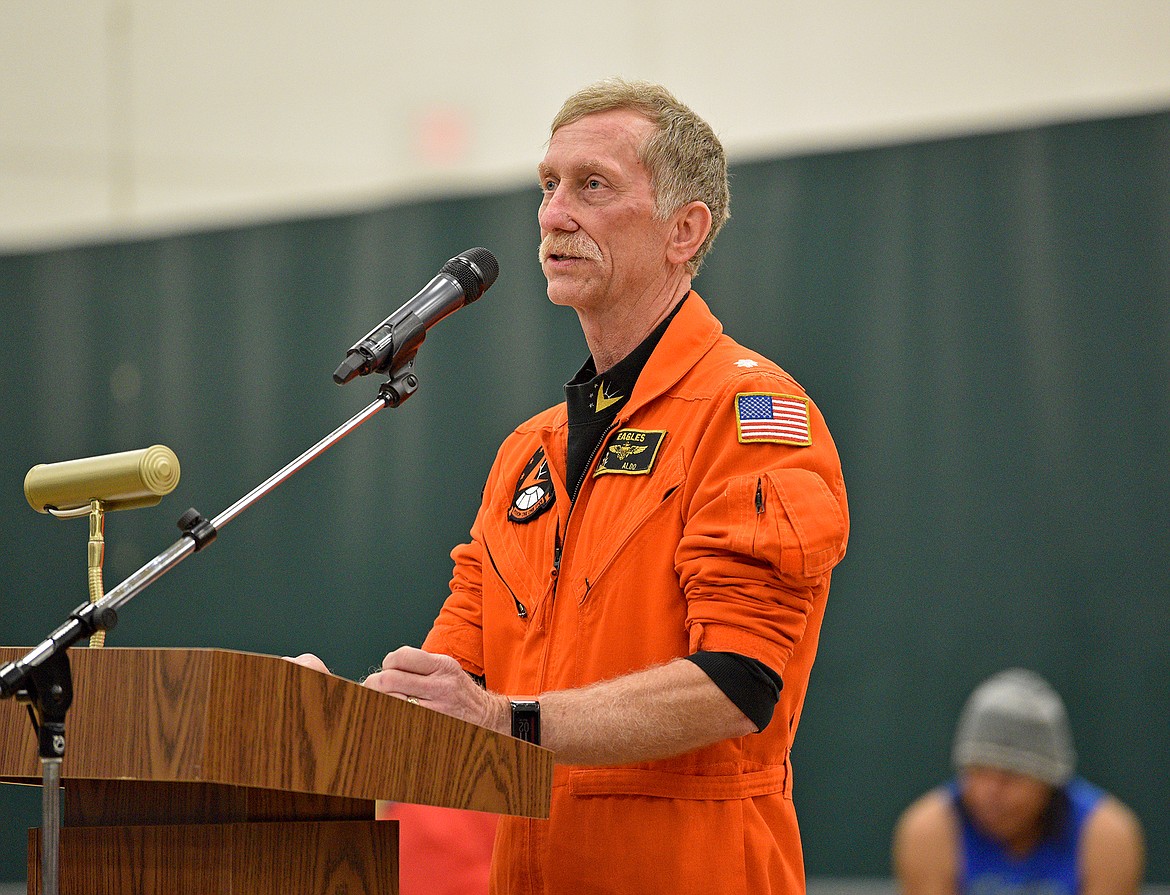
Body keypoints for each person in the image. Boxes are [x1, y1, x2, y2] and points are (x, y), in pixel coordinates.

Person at [294, 77, 849, 893]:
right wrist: (331, 713)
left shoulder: (749, 417)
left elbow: (738, 684)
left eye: (593, 186)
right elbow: (458, 682)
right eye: (548, 186)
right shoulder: (530, 451)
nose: (555, 214)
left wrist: (505, 720)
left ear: (684, 230)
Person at [893, 669, 1145, 895]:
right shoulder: (930, 831)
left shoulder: (1105, 836)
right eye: (978, 772)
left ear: (1050, 781)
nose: (988, 793)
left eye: (1009, 777)